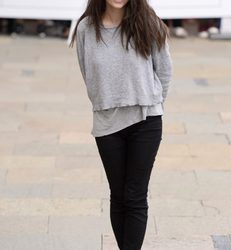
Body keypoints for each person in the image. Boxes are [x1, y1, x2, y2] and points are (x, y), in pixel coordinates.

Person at [69, 0, 173, 249]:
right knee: (118, 195)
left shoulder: (149, 23)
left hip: (146, 120)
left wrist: (152, 104)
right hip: (107, 123)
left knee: (135, 196)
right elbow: (87, 73)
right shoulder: (86, 28)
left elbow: (164, 72)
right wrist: (106, 101)